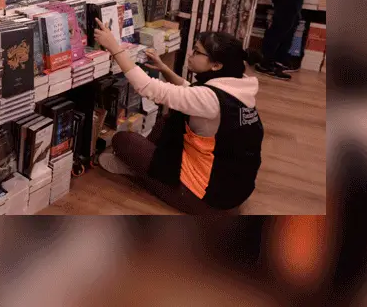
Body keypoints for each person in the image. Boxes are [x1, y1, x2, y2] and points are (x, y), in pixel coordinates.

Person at [93, 24, 264, 214]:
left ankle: (141, 169)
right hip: (230, 189)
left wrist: (114, 48)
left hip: (205, 199)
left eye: (197, 52)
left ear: (216, 65)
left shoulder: (211, 99)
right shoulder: (237, 87)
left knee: (122, 140)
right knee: (169, 119)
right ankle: (145, 163)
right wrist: (165, 69)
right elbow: (192, 92)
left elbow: (147, 87)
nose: (190, 54)